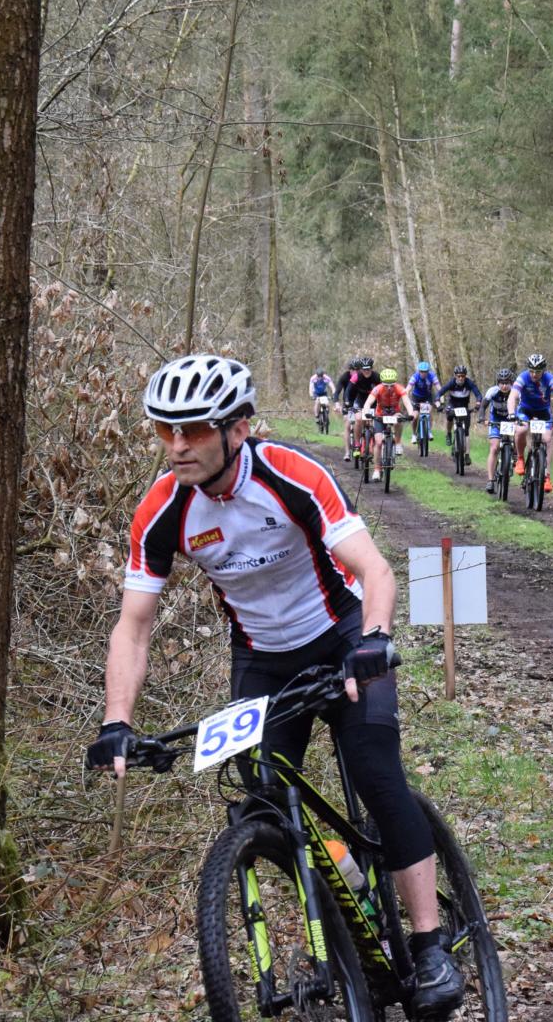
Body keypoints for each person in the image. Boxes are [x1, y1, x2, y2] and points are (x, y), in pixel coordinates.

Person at [84, 354, 464, 1014]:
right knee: (263, 799)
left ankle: (430, 945)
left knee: (375, 773)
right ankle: (347, 900)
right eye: (165, 430)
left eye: (193, 429)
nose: (177, 445)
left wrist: (374, 641)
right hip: (262, 659)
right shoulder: (162, 510)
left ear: (238, 428)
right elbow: (133, 627)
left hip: (342, 637)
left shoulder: (291, 475)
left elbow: (374, 571)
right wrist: (117, 720)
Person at [505, 353, 553, 494]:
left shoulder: (549, 378)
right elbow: (512, 396)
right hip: (525, 410)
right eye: (532, 371)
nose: (534, 374)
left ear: (543, 371)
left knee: (547, 439)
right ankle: (520, 458)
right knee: (521, 430)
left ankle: (546, 475)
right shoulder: (523, 377)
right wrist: (511, 413)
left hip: (543, 411)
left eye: (538, 372)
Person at [362, 368, 410, 475]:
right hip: (380, 416)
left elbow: (407, 403)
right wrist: (366, 413)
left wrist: (411, 414)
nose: (389, 387)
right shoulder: (377, 389)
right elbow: (368, 403)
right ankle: (377, 469)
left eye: (391, 385)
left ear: (395, 383)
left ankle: (398, 443)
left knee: (399, 419)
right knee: (378, 443)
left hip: (394, 414)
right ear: (382, 383)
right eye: (386, 385)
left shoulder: (400, 388)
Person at [478, 369, 515, 489]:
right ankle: (490, 480)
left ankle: (514, 455)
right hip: (495, 420)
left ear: (511, 383)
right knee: (494, 448)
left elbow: (523, 407)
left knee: (518, 437)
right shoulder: (492, 391)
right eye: (502, 383)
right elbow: (483, 406)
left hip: (510, 420)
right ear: (498, 383)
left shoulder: (516, 392)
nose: (504, 386)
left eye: (507, 383)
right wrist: (482, 418)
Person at [437, 364, 485, 453]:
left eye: (463, 376)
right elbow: (440, 393)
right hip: (452, 404)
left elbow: (478, 394)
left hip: (464, 406)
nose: (461, 378)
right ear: (455, 376)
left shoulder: (469, 383)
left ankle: (466, 454)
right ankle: (448, 433)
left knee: (466, 430)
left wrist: (478, 404)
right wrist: (438, 403)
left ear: (465, 376)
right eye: (459, 376)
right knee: (449, 417)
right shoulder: (451, 383)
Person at [342, 357, 380, 460]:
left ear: (372, 368)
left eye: (368, 369)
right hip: (360, 401)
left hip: (373, 402)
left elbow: (383, 390)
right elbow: (348, 390)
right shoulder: (356, 376)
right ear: (361, 369)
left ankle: (372, 444)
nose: (366, 371)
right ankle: (357, 444)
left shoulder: (377, 377)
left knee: (374, 422)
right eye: (364, 369)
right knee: (358, 419)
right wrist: (347, 401)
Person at [407, 361, 441, 452]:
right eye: (421, 371)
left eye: (425, 371)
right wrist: (407, 399)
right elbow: (408, 389)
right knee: (414, 417)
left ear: (428, 371)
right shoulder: (415, 376)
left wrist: (440, 398)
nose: (423, 373)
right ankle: (414, 434)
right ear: (419, 371)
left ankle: (429, 431)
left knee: (429, 413)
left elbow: (439, 388)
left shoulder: (432, 376)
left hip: (427, 397)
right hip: (416, 397)